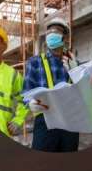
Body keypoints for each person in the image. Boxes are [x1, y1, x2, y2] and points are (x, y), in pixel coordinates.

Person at [22, 18, 79, 152]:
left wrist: (77, 72)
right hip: (45, 120)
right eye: (49, 32)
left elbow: (82, 93)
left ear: (64, 38)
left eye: (56, 31)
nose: (51, 35)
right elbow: (26, 92)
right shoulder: (35, 62)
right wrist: (30, 103)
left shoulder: (73, 63)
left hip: (70, 122)